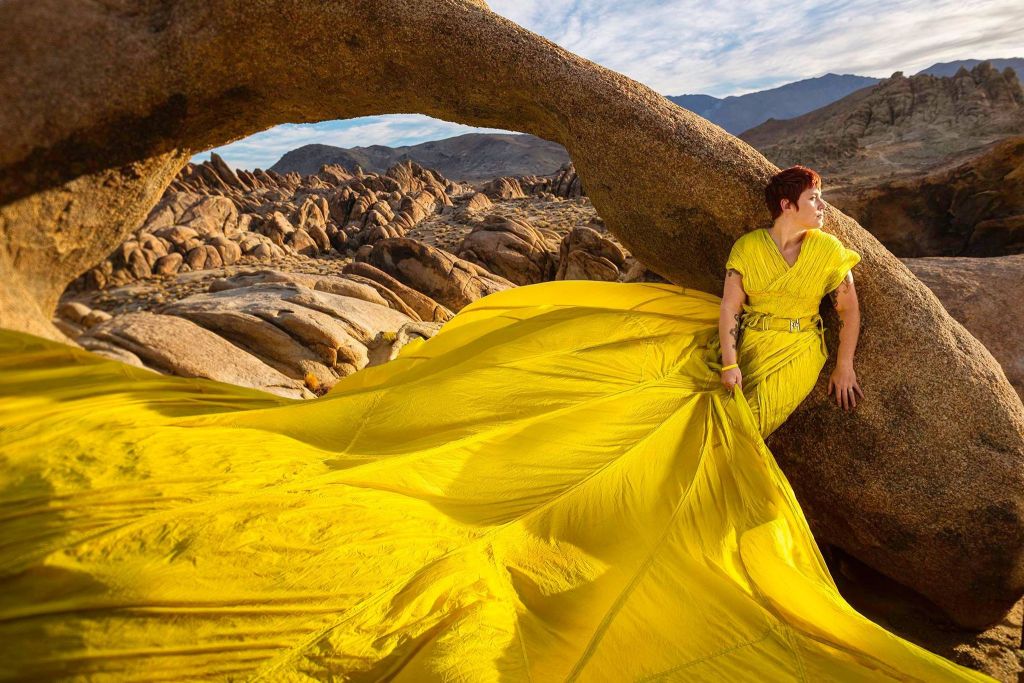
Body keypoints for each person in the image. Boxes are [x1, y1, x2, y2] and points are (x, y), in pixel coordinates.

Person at [0, 167, 994, 681]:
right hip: (743, 349)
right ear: (787, 203)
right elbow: (727, 305)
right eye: (813, 198)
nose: (821, 209)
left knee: (717, 438)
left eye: (820, 200)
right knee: (667, 419)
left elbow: (848, 311)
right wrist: (726, 352)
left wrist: (845, 362)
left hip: (801, 357)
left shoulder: (829, 260)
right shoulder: (749, 239)